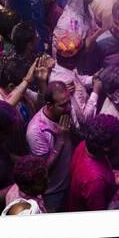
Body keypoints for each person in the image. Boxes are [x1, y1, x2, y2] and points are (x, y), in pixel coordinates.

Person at [26, 81, 74, 212]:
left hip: (68, 181)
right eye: (63, 105)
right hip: (53, 192)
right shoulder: (36, 131)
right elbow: (43, 169)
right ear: (49, 105)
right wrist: (60, 140)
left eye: (69, 102)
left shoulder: (64, 113)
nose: (69, 107)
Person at [68, 114, 119, 211]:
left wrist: (113, 176)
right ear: (106, 147)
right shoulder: (95, 182)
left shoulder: (84, 145)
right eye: (117, 138)